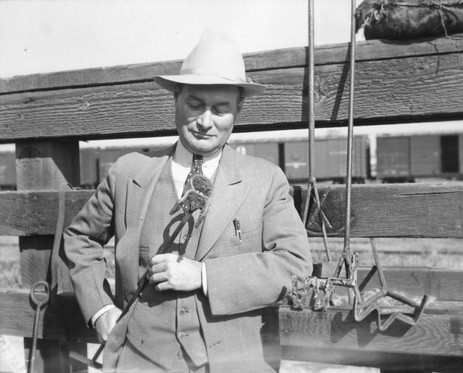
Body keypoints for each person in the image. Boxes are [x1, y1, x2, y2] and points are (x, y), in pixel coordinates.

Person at [64, 29, 312, 373]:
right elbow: (79, 238)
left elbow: (295, 266)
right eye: (195, 105)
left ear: (238, 109)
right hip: (139, 360)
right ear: (175, 98)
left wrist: (204, 275)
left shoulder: (265, 179)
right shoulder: (129, 172)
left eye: (220, 109)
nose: (205, 122)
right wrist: (100, 310)